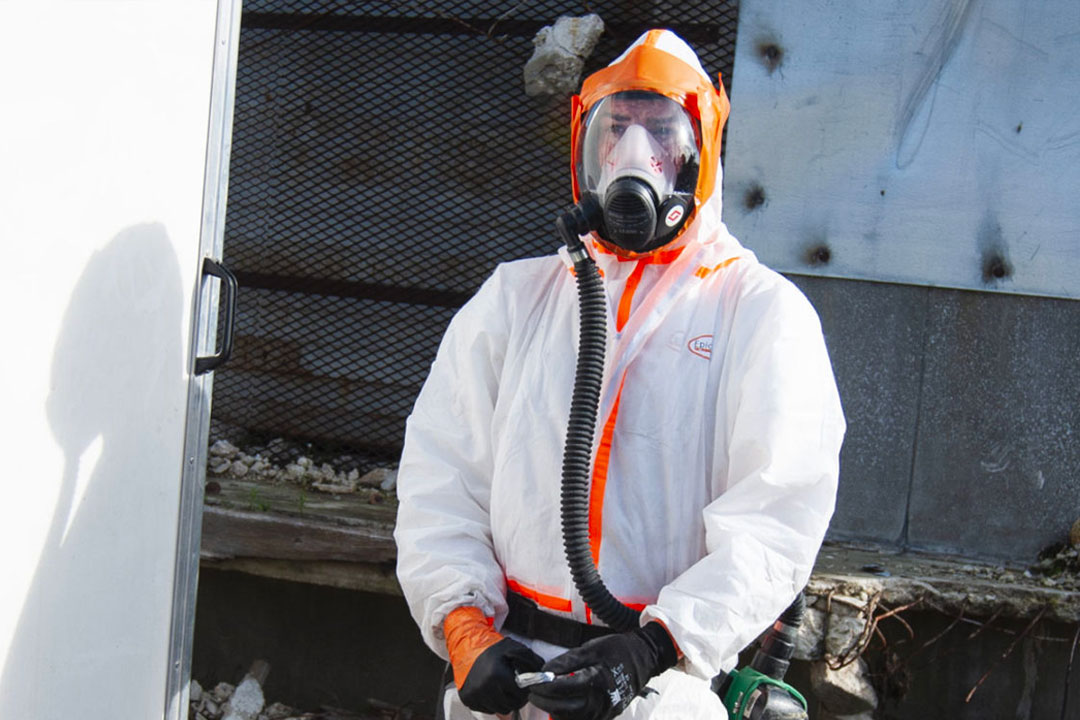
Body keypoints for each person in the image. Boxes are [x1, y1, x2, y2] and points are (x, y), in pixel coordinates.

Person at [394, 29, 845, 720]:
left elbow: (777, 520)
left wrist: (652, 649)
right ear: (588, 147)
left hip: (657, 692)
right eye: (618, 129)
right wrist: (463, 629)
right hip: (509, 679)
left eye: (662, 132)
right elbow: (441, 476)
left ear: (701, 148)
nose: (637, 153)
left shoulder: (760, 315)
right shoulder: (516, 300)